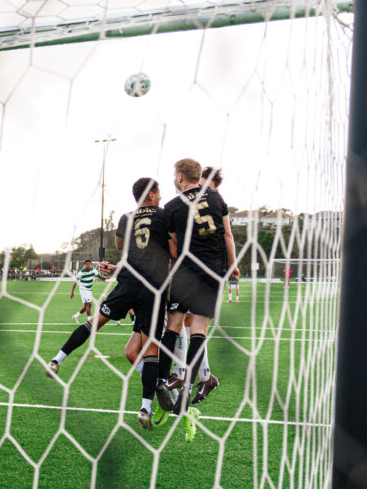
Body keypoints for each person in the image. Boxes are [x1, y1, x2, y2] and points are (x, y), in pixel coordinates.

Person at [47, 178, 175, 430]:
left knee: (96, 322)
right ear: (151, 195)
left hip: (128, 282)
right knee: (151, 348)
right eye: (158, 193)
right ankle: (145, 408)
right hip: (153, 288)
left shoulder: (127, 218)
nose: (160, 197)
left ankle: (57, 360)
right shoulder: (165, 215)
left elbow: (120, 246)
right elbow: (173, 250)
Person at [156, 159, 238, 416]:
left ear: (180, 177)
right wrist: (232, 266)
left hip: (186, 271)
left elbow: (172, 246)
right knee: (199, 330)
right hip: (213, 270)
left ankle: (161, 379)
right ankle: (188, 385)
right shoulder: (216, 198)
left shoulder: (171, 206)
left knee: (174, 324)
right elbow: (227, 235)